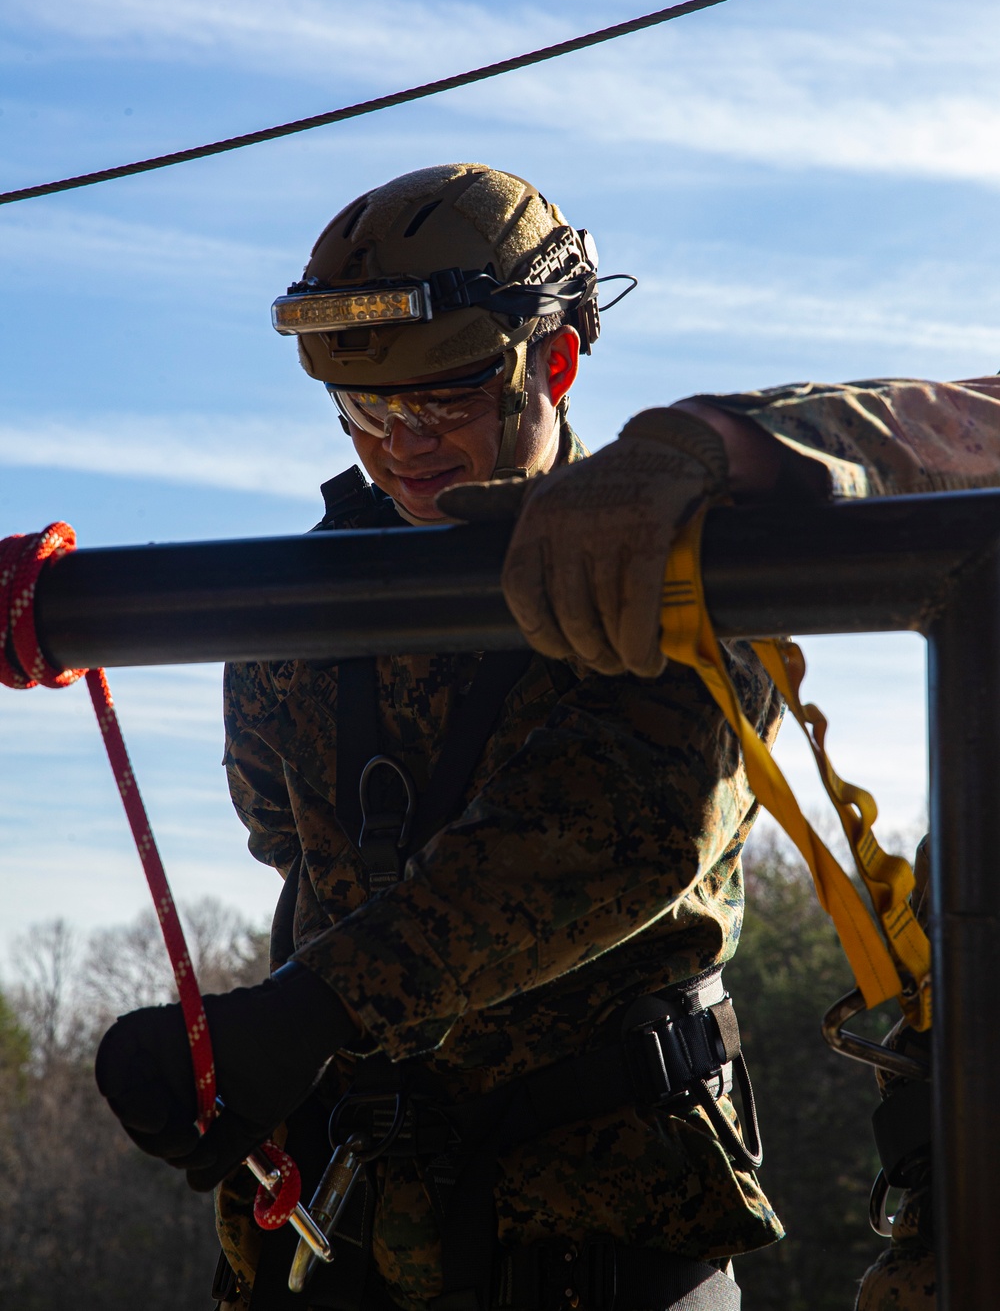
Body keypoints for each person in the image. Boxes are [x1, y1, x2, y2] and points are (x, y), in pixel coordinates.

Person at [93, 160, 1000, 1310]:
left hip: (605, 1238)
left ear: (556, 360)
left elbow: (617, 834)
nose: (399, 443)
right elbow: (299, 856)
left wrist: (310, 1012)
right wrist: (265, 1058)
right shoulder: (300, 614)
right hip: (358, 1222)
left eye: (445, 403)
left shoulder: (665, 554)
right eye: (367, 411)